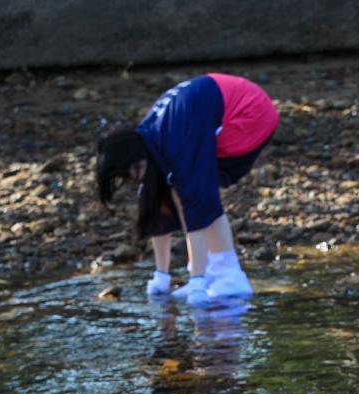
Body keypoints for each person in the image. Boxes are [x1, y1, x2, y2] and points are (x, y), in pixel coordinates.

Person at [96, 73, 278, 306]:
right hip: (227, 108)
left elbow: (197, 202)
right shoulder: (149, 137)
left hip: (252, 114)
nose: (135, 181)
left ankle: (228, 277)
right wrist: (161, 277)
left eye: (132, 175)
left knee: (196, 192)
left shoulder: (175, 139)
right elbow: (154, 206)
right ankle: (212, 271)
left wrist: (197, 282)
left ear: (137, 161)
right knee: (175, 189)